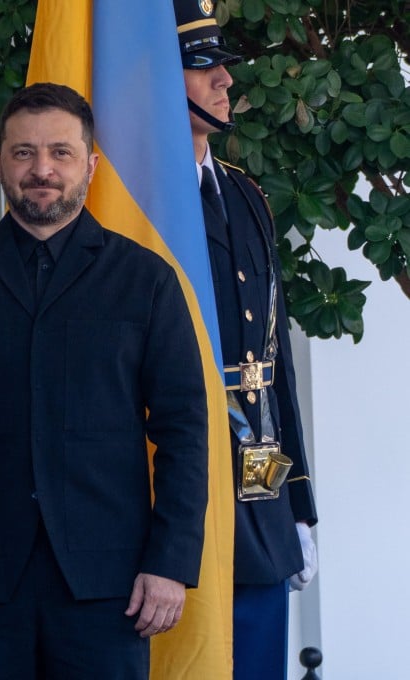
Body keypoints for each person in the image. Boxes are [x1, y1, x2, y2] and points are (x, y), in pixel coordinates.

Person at [0, 82, 210, 680]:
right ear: (0, 161)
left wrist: (170, 561)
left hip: (112, 585)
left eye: (60, 153)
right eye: (24, 152)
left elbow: (185, 431)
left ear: (90, 164)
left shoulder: (147, 281)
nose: (42, 170)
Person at [173, 1, 319, 678]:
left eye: (223, 67)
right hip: (171, 481)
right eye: (202, 68)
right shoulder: (135, 203)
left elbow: (272, 368)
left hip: (257, 482)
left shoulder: (245, 195)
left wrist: (297, 501)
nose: (225, 81)